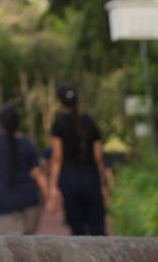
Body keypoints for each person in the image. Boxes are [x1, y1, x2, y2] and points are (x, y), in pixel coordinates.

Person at [51, 82, 110, 236]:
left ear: (60, 101)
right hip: (91, 179)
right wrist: (103, 184)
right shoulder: (90, 122)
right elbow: (98, 157)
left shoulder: (59, 124)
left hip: (70, 180)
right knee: (98, 229)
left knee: (77, 232)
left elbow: (57, 157)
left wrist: (54, 187)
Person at [0, 102, 48, 234]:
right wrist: (48, 196)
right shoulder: (27, 143)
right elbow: (38, 174)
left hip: (6, 201)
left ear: (0, 123)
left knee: (15, 246)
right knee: (29, 244)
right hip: (30, 201)